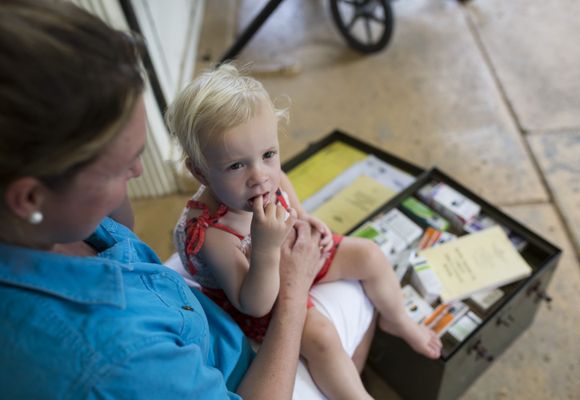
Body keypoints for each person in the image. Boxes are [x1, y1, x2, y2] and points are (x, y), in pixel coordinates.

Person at [0, 1, 375, 398]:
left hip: (196, 313)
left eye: (137, 153)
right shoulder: (112, 361)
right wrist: (294, 286)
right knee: (354, 303)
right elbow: (255, 305)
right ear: (30, 197)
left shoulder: (47, 226)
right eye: (119, 167)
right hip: (247, 369)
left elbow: (122, 234)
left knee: (367, 264)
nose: (138, 172)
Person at [166, 64, 442, 399]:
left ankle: (397, 319)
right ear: (200, 172)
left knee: (370, 255)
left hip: (290, 251)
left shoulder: (264, 178)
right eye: (237, 165)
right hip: (261, 292)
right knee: (322, 338)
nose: (260, 176)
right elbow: (254, 304)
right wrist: (266, 249)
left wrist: (303, 216)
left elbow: (281, 181)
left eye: (268, 154)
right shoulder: (211, 233)